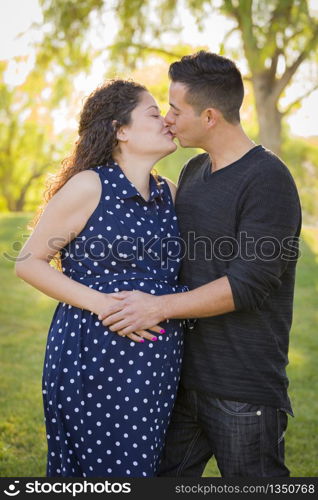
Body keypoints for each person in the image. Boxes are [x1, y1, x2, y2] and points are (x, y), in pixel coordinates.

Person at [99, 52, 302, 477]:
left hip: (242, 389)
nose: (167, 118)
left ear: (209, 116)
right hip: (183, 380)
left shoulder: (267, 179)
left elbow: (247, 283)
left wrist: (158, 307)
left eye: (175, 109)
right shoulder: (193, 172)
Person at [15, 79, 188, 478]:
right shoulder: (90, 186)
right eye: (153, 112)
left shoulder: (171, 193)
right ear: (120, 130)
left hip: (156, 366)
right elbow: (29, 262)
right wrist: (107, 305)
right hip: (93, 356)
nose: (166, 120)